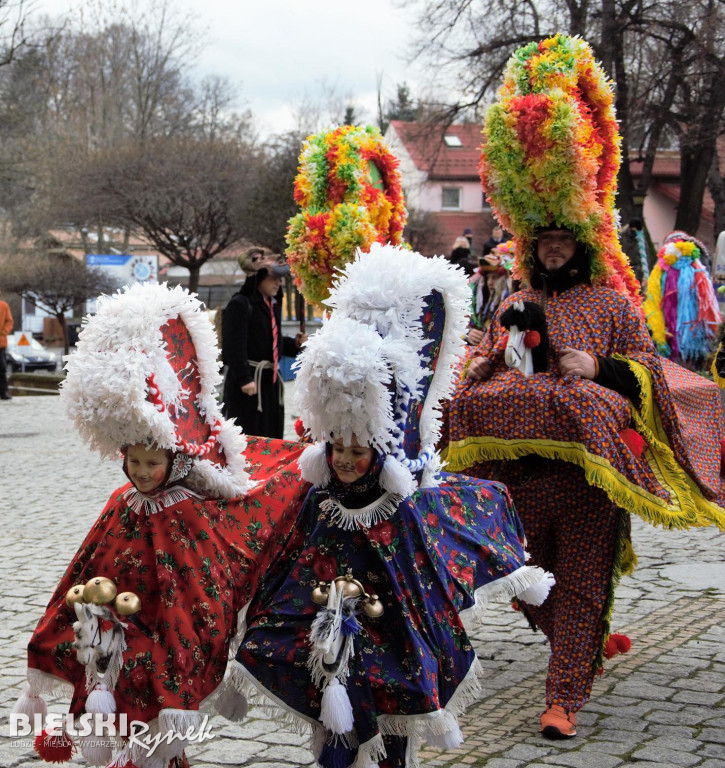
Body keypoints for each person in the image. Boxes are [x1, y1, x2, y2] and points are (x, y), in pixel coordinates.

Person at [443, 34, 725, 740]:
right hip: (519, 472)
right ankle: (585, 643)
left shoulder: (611, 303)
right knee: (520, 580)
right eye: (543, 245)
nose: (553, 252)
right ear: (533, 247)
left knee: (585, 585)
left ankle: (563, 697)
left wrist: (595, 370)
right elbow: (482, 358)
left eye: (564, 243)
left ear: (582, 245)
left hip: (596, 477)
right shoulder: (510, 300)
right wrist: (482, 367)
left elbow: (647, 371)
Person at [230, 244, 553, 768]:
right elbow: (286, 551)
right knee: (332, 724)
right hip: (327, 635)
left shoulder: (400, 509)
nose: (347, 462)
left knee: (390, 724)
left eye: (359, 452)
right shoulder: (321, 498)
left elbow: (426, 575)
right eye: (338, 451)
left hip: (391, 635)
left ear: (380, 454)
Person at [13, 282, 311, 768]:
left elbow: (205, 576)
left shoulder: (188, 509)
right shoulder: (122, 500)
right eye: (133, 461)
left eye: (152, 462)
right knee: (122, 696)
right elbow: (88, 562)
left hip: (165, 631)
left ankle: (163, 757)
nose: (142, 472)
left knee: (157, 702)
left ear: (172, 460)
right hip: (117, 630)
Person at [222, 256, 307, 438]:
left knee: (271, 436)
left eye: (280, 279)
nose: (278, 283)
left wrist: (296, 344)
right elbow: (233, 346)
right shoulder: (240, 304)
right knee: (249, 437)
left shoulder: (271, 304)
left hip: (271, 383)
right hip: (249, 384)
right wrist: (245, 378)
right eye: (273, 278)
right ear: (258, 278)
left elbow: (271, 341)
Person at [643, 231, 721, 368]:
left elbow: (652, 300)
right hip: (694, 334)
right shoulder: (698, 268)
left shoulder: (662, 268)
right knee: (688, 368)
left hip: (668, 331)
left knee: (669, 368)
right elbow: (708, 302)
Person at [467, 242, 514, 345]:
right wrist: (468, 333)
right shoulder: (480, 300)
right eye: (487, 278)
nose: (489, 282)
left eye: (495, 278)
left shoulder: (513, 304)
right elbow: (462, 325)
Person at [619, 217, 649, 288]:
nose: (635, 231)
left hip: (635, 267)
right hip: (622, 265)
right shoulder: (622, 236)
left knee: (634, 288)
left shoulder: (641, 240)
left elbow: (645, 255)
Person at [0, 290, 13, 400]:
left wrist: (4, 332)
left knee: (2, 368)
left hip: (1, 344)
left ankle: (3, 392)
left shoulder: (4, 306)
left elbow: (9, 321)